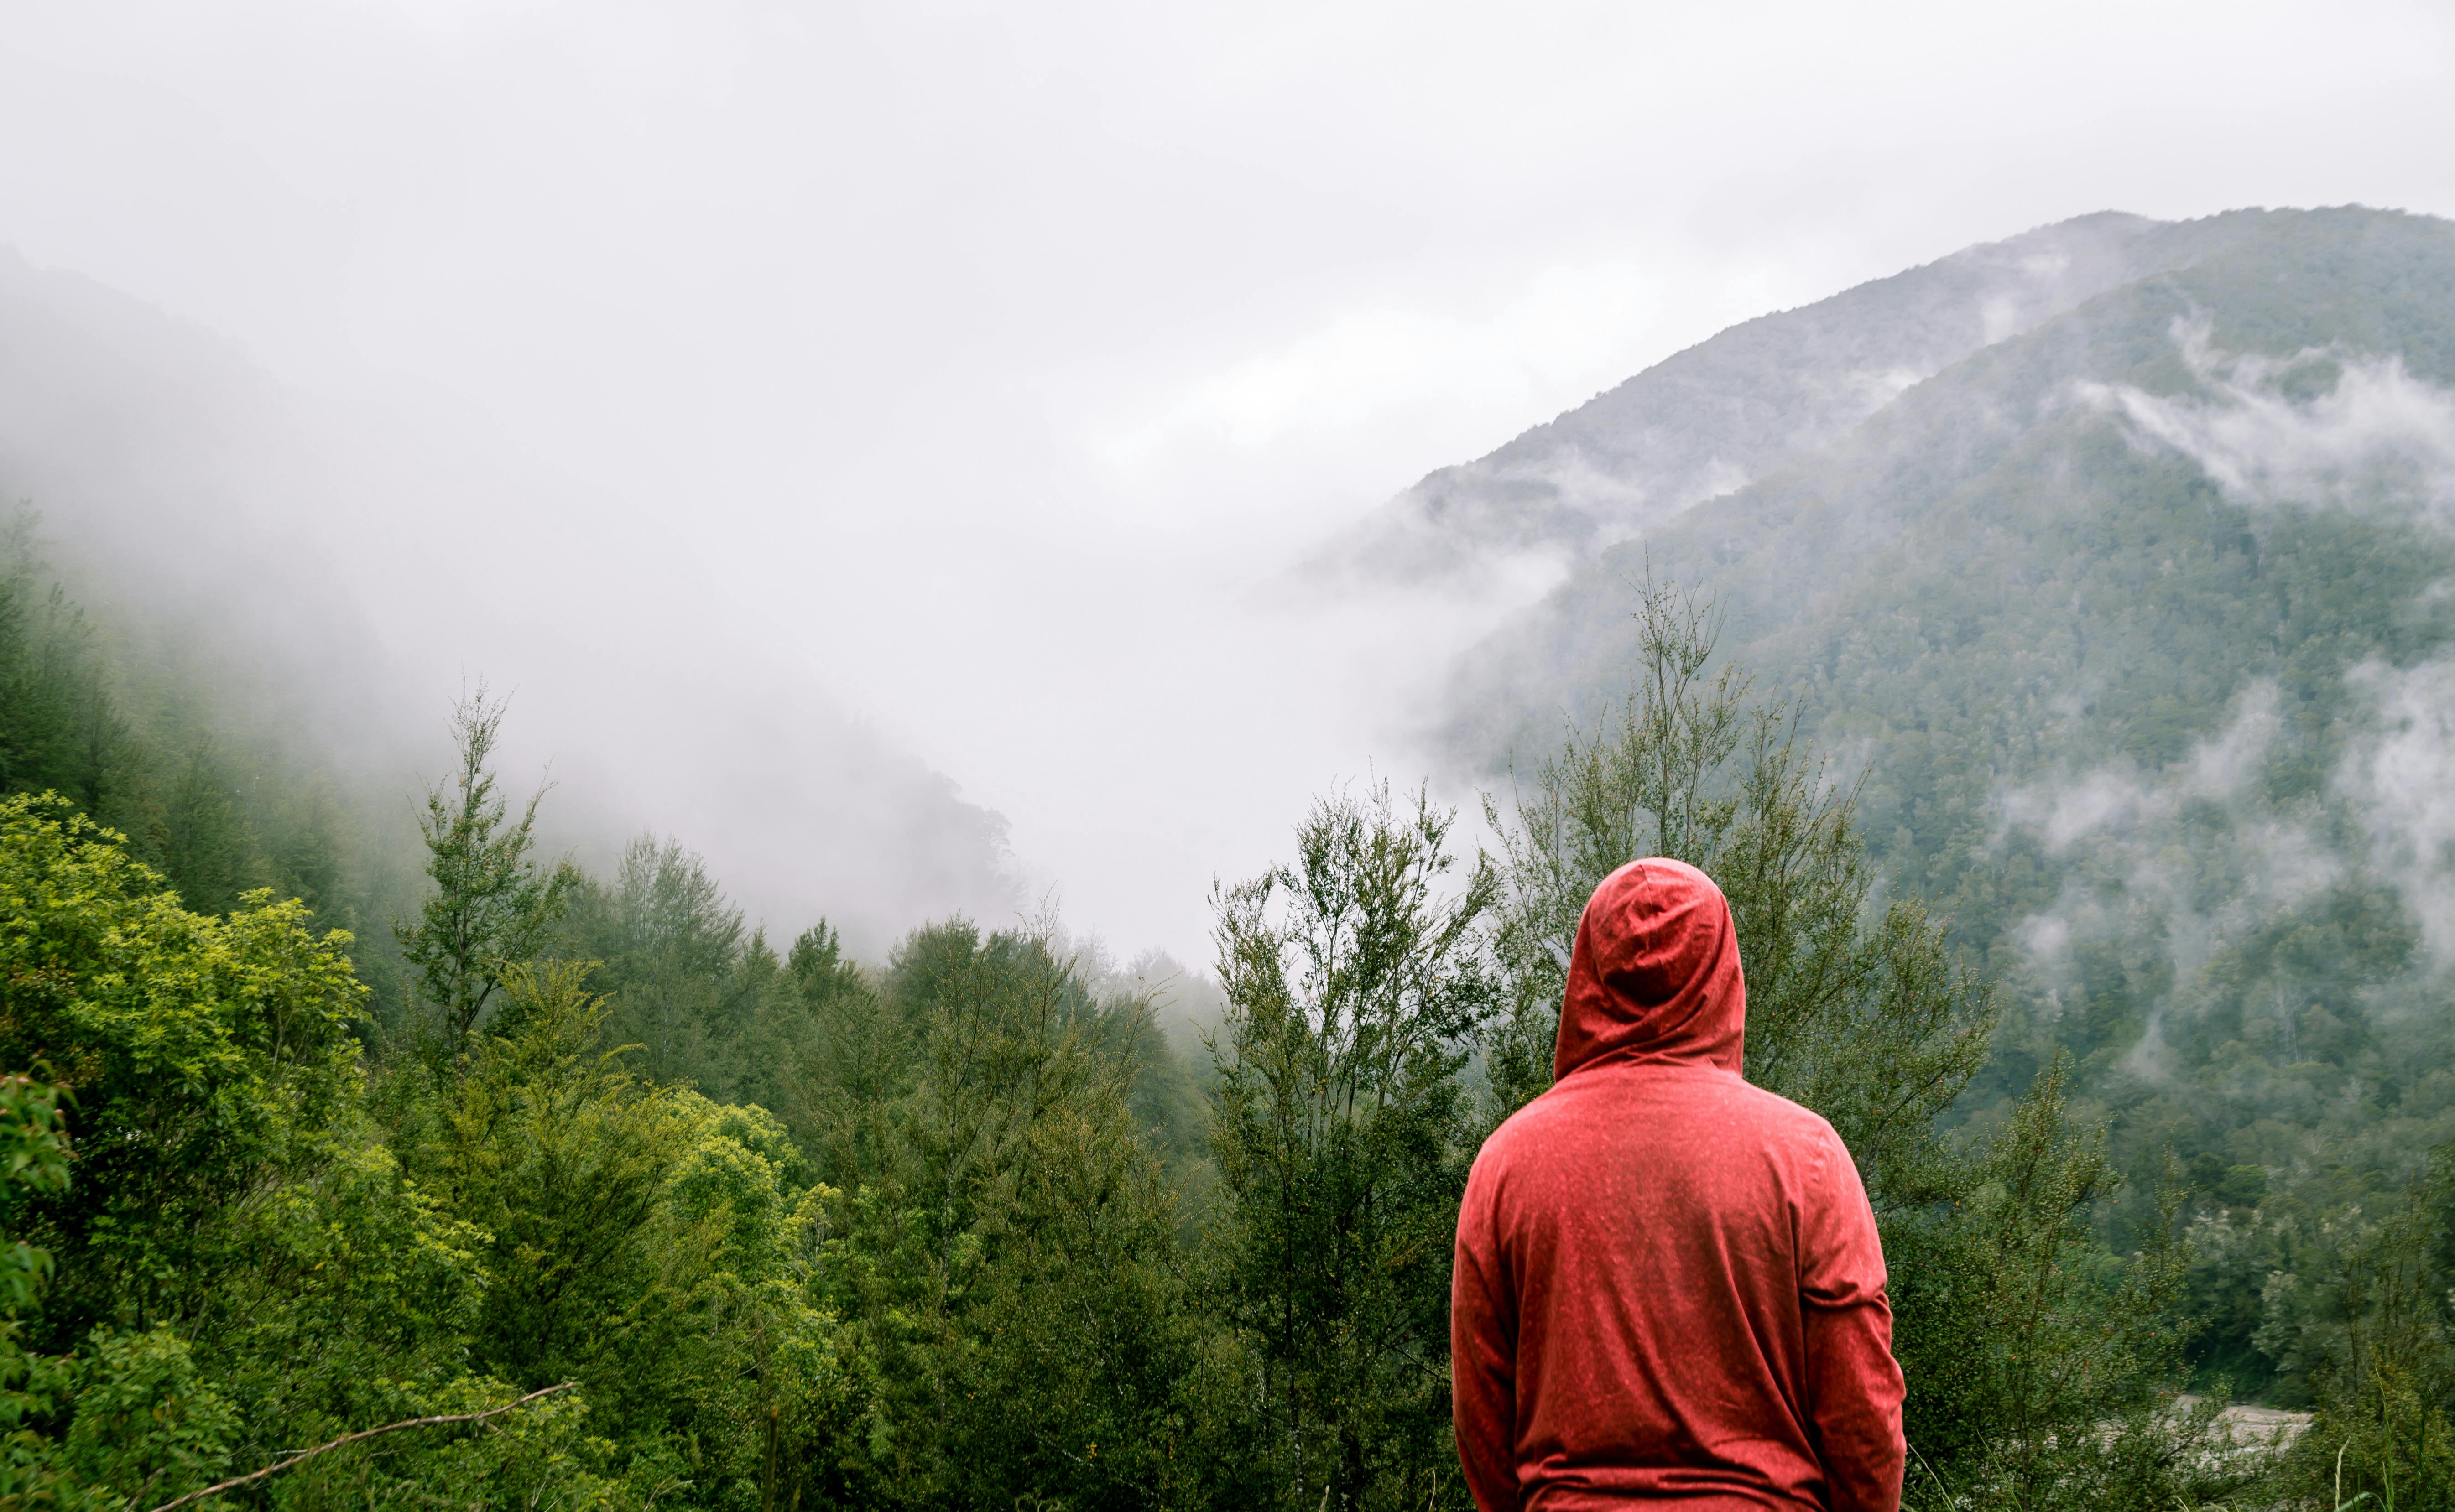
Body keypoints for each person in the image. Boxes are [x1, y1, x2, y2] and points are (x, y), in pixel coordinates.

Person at [1451, 857, 1905, 1511]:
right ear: (1721, 972)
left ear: (1589, 971)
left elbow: (1482, 1416)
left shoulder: (1508, 1163)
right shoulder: (1803, 1155)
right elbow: (1861, 1407)